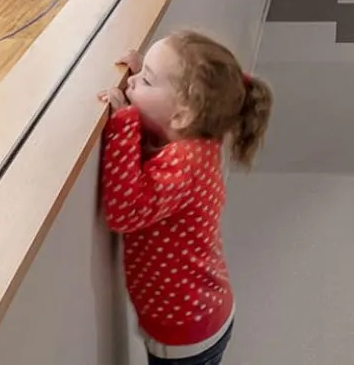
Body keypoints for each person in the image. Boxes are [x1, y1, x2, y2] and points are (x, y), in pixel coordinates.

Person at [100, 29, 272, 365]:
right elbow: (163, 121)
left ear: (183, 114)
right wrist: (141, 78)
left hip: (187, 335)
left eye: (146, 81)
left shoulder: (184, 163)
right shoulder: (197, 133)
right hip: (198, 319)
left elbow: (124, 212)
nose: (132, 86)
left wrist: (123, 121)